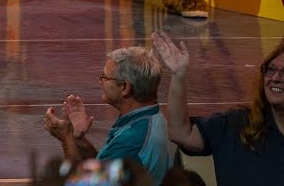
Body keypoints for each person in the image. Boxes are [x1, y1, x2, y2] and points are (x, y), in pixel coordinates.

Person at [152, 31, 284, 184]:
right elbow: (181, 133)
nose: (275, 78)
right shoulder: (237, 125)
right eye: (271, 69)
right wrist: (178, 75)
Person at [42, 46, 172, 185]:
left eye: (105, 77)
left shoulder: (133, 139)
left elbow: (81, 184)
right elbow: (103, 169)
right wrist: (78, 138)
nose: (100, 81)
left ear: (125, 88)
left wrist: (66, 138)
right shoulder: (147, 118)